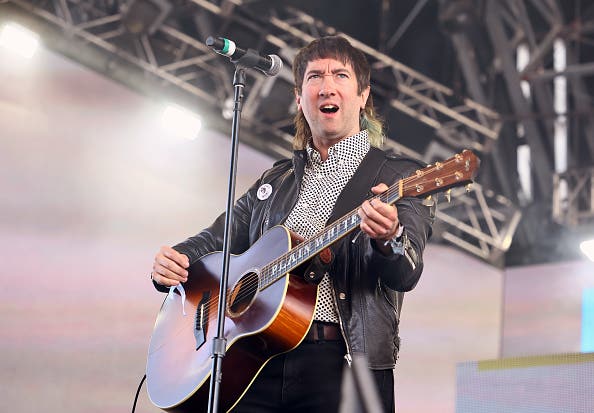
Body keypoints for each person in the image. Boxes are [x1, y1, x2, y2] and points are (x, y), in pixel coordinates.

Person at [150, 35, 435, 412]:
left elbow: (406, 272)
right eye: (314, 77)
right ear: (300, 99)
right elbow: (215, 240)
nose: (327, 86)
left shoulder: (398, 177)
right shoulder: (276, 180)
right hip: (254, 359)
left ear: (363, 96)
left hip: (339, 367)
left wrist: (389, 237)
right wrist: (176, 261)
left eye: (340, 75)